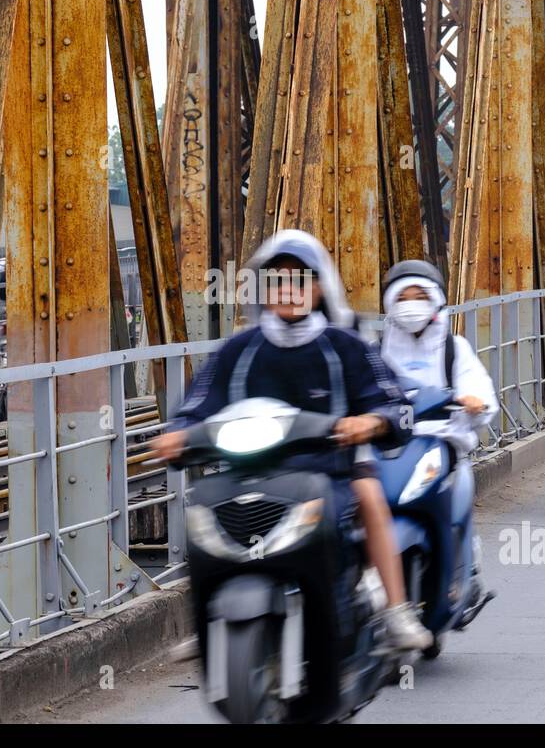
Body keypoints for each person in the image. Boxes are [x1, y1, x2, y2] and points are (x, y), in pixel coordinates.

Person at [149, 230, 433, 651]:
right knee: (203, 506)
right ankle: (207, 619)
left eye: (300, 279)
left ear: (319, 287)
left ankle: (395, 611)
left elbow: (391, 402)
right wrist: (175, 434)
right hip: (255, 467)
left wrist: (370, 422)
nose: (288, 289)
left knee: (370, 495)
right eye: (277, 280)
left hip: (336, 465)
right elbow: (199, 402)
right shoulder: (240, 349)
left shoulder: (345, 346)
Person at [376, 259, 497, 616]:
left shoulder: (452, 348)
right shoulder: (377, 349)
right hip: (392, 447)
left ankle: (461, 576)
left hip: (441, 446)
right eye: (403, 296)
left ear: (436, 300)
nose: (411, 303)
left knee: (455, 494)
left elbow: (479, 387)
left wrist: (475, 401)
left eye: (420, 295)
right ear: (390, 303)